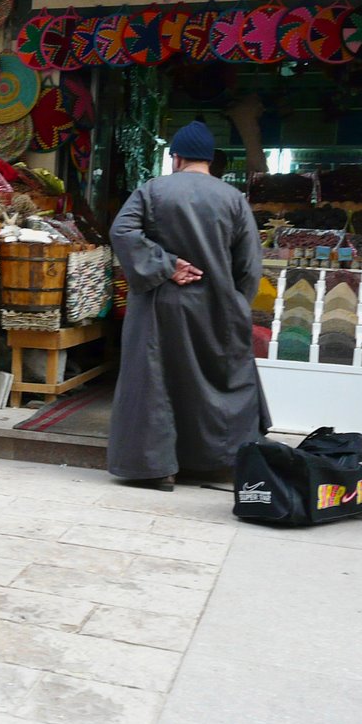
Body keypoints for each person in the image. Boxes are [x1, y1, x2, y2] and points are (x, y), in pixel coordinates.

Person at [108, 121, 269, 491]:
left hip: (158, 306)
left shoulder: (152, 191)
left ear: (175, 157)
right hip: (216, 306)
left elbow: (122, 232)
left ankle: (157, 468)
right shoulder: (234, 199)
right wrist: (234, 304)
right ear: (211, 161)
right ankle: (216, 462)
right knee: (215, 381)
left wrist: (165, 265)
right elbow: (249, 265)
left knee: (156, 382)